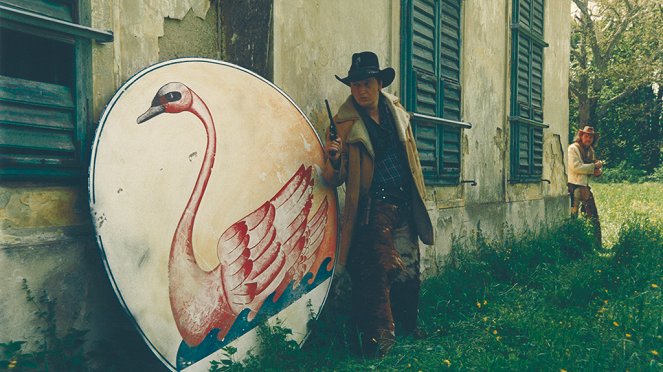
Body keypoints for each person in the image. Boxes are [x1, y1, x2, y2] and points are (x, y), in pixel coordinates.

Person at [322, 51, 434, 357]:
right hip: (375, 207)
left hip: (404, 201)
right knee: (380, 270)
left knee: (409, 267)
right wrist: (334, 158)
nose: (361, 90)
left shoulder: (396, 111)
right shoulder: (343, 124)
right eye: (355, 84)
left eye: (367, 83)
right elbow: (334, 177)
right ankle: (380, 340)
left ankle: (408, 326)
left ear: (379, 83)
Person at [567, 125, 603, 245]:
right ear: (581, 136)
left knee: (593, 217)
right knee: (573, 218)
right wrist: (594, 168)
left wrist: (598, 171)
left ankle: (597, 245)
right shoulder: (573, 148)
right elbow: (576, 167)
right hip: (573, 187)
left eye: (591, 137)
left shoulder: (590, 151)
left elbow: (593, 167)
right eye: (586, 136)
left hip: (584, 187)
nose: (588, 139)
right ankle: (572, 246)